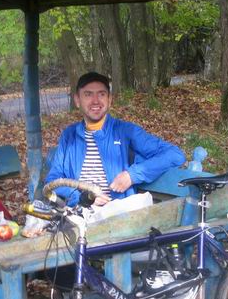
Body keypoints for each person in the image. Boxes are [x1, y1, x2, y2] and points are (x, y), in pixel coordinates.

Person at [45, 71, 186, 206]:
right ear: (77, 100)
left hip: (118, 215)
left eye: (101, 94)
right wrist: (81, 198)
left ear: (109, 99)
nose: (95, 101)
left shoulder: (125, 131)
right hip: (79, 214)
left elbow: (175, 155)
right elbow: (53, 181)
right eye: (88, 94)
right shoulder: (69, 136)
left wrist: (132, 175)